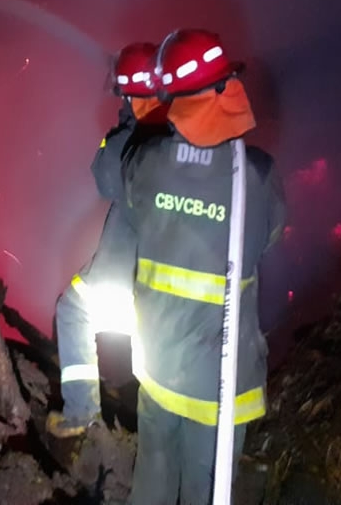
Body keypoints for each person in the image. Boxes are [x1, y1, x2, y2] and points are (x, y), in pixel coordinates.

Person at [121, 29, 286, 504]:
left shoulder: (145, 162)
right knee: (205, 490)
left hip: (156, 368)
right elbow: (268, 237)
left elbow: (136, 211)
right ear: (219, 91)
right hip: (217, 382)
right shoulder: (256, 177)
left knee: (151, 481)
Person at [47, 42, 171, 438]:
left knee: (73, 310)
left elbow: (104, 177)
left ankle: (82, 413)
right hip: (174, 276)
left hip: (130, 274)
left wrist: (127, 120)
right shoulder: (181, 133)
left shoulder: (132, 140)